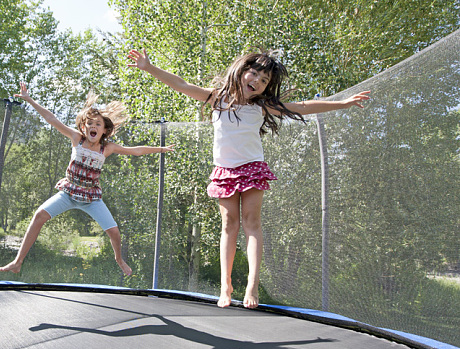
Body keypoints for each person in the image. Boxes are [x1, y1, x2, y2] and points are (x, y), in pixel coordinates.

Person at [128, 48, 370, 308]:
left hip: (252, 167)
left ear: (267, 88)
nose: (257, 81)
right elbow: (181, 84)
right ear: (242, 72)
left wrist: (342, 103)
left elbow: (302, 107)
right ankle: (226, 285)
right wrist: (149, 67)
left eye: (264, 80)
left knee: (251, 222)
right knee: (229, 225)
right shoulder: (217, 98)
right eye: (254, 74)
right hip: (224, 170)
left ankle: (252, 284)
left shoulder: (263, 106)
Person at [0, 82, 174, 276]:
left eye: (98, 124)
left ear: (104, 130)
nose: (93, 126)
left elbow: (136, 151)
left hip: (91, 198)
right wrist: (30, 100)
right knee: (39, 215)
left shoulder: (107, 148)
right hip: (69, 192)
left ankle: (119, 259)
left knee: (114, 232)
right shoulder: (77, 138)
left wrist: (160, 148)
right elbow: (52, 119)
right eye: (89, 123)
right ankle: (17, 262)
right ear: (84, 126)